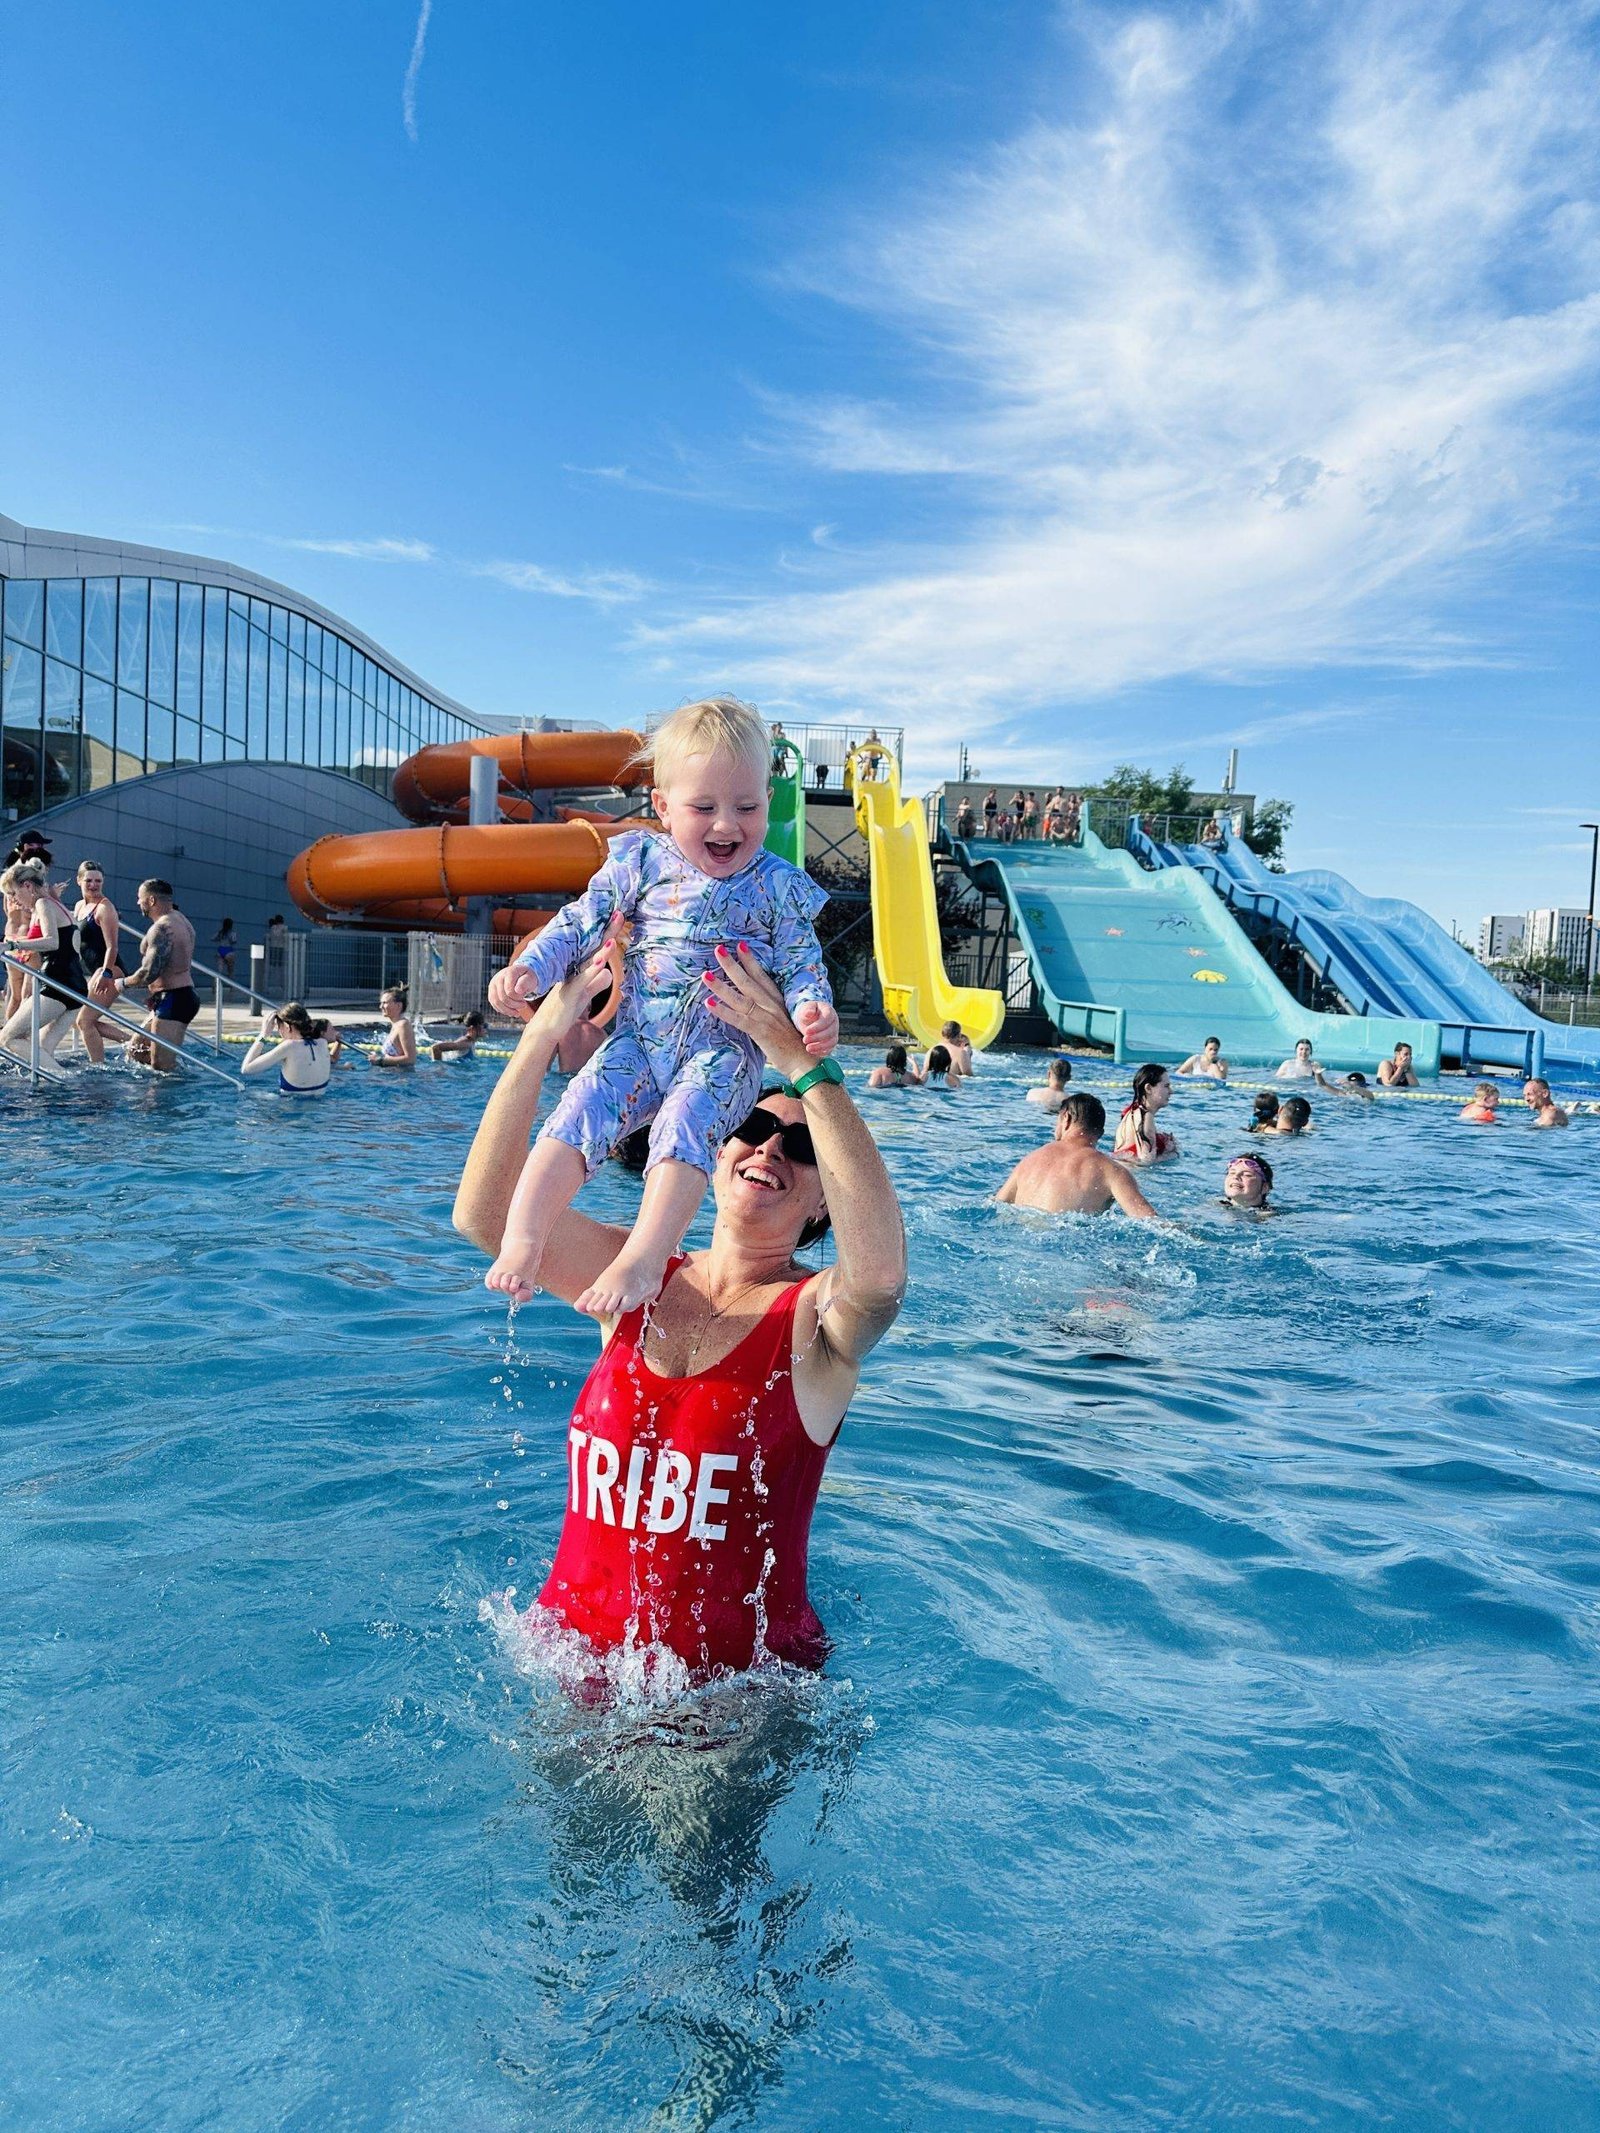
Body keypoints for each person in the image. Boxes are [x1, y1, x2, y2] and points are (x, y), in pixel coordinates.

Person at [453, 940, 907, 1681]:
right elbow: (484, 1215)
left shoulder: (816, 1321)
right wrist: (542, 1034)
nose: (770, 1148)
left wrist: (802, 1063)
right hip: (568, 1667)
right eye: (753, 1128)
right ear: (712, 1139)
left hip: (733, 1707)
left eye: (799, 1145)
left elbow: (882, 1278)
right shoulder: (631, 1278)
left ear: (827, 1196)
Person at [487, 696, 838, 1320]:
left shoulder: (778, 886)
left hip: (723, 1048)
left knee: (684, 1128)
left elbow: (803, 960)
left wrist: (812, 1009)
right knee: (579, 1109)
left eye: (748, 807)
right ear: (662, 806)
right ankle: (524, 1237)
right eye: (704, 808)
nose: (727, 825)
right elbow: (580, 923)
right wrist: (530, 969)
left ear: (768, 802)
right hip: (640, 1042)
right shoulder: (640, 862)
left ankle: (647, 1253)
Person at [996, 1092, 1159, 1218]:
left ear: (1065, 1118)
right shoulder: (1111, 1171)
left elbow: (996, 1205)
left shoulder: (1029, 1160)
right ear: (1100, 1134)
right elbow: (1148, 1220)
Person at [0, 858, 86, 1065]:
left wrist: (11, 946)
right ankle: (63, 1086)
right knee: (42, 1052)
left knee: (7, 1038)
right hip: (74, 984)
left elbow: (52, 941)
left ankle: (64, 1082)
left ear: (27, 886)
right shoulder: (58, 906)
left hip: (58, 983)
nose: (14, 900)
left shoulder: (43, 903)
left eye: (13, 893)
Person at [113, 879, 199, 1071]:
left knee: (162, 1068)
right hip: (172, 997)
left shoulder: (162, 928)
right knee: (136, 1050)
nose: (138, 903)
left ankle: (162, 1099)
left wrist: (123, 983)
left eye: (140, 898)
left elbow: (148, 973)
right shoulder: (180, 919)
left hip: (175, 1000)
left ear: (151, 900)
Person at [71, 860, 122, 1065]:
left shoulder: (105, 908)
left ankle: (98, 1067)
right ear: (79, 881)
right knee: (80, 1021)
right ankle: (137, 1043)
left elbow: (112, 947)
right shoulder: (79, 906)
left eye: (98, 881)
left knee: (84, 1021)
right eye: (89, 880)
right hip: (93, 972)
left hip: (111, 970)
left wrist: (106, 973)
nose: (93, 885)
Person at [240, 1001, 333, 1096]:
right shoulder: (323, 1043)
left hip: (291, 1106)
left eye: (278, 1027)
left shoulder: (289, 1046)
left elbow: (246, 1069)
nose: (279, 1032)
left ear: (287, 1027)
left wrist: (263, 1035)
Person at [1114, 1062, 1180, 1163]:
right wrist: (1172, 1153)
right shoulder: (1145, 1117)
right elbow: (1146, 1161)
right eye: (1166, 1086)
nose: (1171, 1091)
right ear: (1148, 1088)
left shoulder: (1131, 1112)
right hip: (1133, 1175)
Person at [372, 985, 418, 1068]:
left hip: (401, 1078)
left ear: (398, 1005)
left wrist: (381, 1061)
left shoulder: (403, 1025)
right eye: (381, 1003)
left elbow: (411, 1059)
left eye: (385, 1003)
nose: (381, 1007)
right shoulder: (396, 1025)